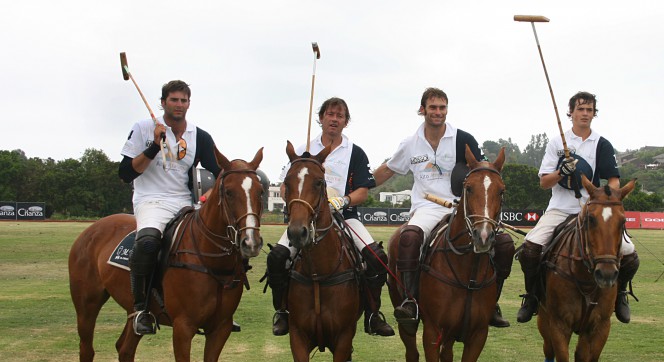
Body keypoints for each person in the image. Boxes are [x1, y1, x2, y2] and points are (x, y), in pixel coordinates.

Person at [373, 87, 514, 329]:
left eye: (442, 108)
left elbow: (481, 170)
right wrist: (357, 188)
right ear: (422, 110)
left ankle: (492, 301)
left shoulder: (462, 138)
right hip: (426, 207)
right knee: (408, 237)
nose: (438, 112)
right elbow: (387, 170)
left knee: (503, 244)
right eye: (433, 107)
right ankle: (410, 300)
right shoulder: (410, 144)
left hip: (462, 209)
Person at [118, 80, 241, 335]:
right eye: (174, 100)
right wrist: (154, 146)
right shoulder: (143, 128)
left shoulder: (200, 136)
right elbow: (126, 173)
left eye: (183, 100)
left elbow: (222, 174)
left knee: (224, 240)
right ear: (162, 103)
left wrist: (206, 200)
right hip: (150, 200)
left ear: (189, 104)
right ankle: (141, 309)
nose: (179, 105)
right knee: (149, 243)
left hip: (184, 202)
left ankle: (222, 311)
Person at [267, 97, 395, 337]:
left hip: (345, 216)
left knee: (376, 259)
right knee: (277, 258)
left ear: (346, 122)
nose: (334, 119)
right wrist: (295, 201)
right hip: (307, 218)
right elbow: (285, 187)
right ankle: (282, 312)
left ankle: (372, 314)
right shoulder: (305, 150)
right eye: (330, 114)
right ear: (321, 118)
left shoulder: (354, 152)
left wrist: (343, 200)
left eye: (340, 115)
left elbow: (363, 191)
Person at [516, 91, 640, 324]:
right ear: (571, 113)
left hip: (592, 209)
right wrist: (561, 172)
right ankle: (532, 297)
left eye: (589, 110)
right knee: (530, 249)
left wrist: (604, 196)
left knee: (630, 255)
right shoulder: (556, 143)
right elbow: (544, 182)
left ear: (594, 114)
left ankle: (620, 295)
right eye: (580, 109)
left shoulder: (601, 144)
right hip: (560, 208)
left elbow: (613, 180)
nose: (585, 113)